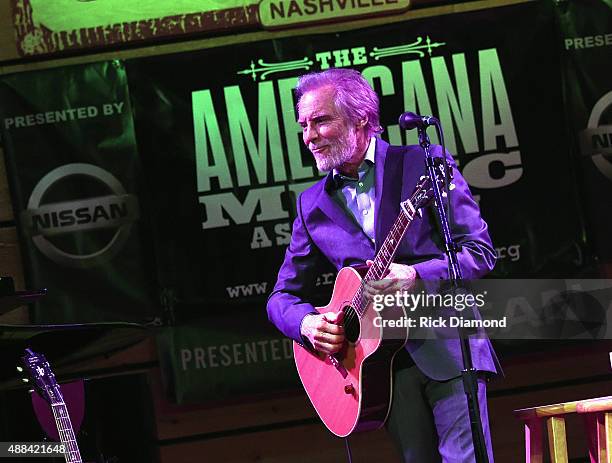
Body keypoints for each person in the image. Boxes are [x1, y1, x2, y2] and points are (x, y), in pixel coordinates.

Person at [266, 68, 498, 462]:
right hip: (379, 370)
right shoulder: (311, 205)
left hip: (448, 347)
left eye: (321, 121)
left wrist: (416, 275)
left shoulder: (423, 163)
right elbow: (281, 296)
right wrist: (307, 324)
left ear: (361, 119)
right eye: (303, 126)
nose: (309, 136)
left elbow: (479, 251)